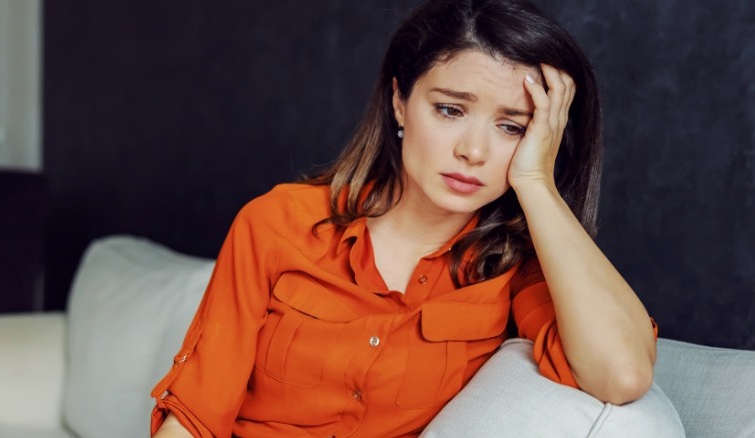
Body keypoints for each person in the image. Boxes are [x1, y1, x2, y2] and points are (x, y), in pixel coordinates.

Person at [151, 0, 660, 436]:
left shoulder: (518, 269)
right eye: (450, 110)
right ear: (399, 102)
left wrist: (537, 185)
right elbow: (194, 416)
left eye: (511, 126)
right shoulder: (278, 223)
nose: (474, 151)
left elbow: (621, 374)